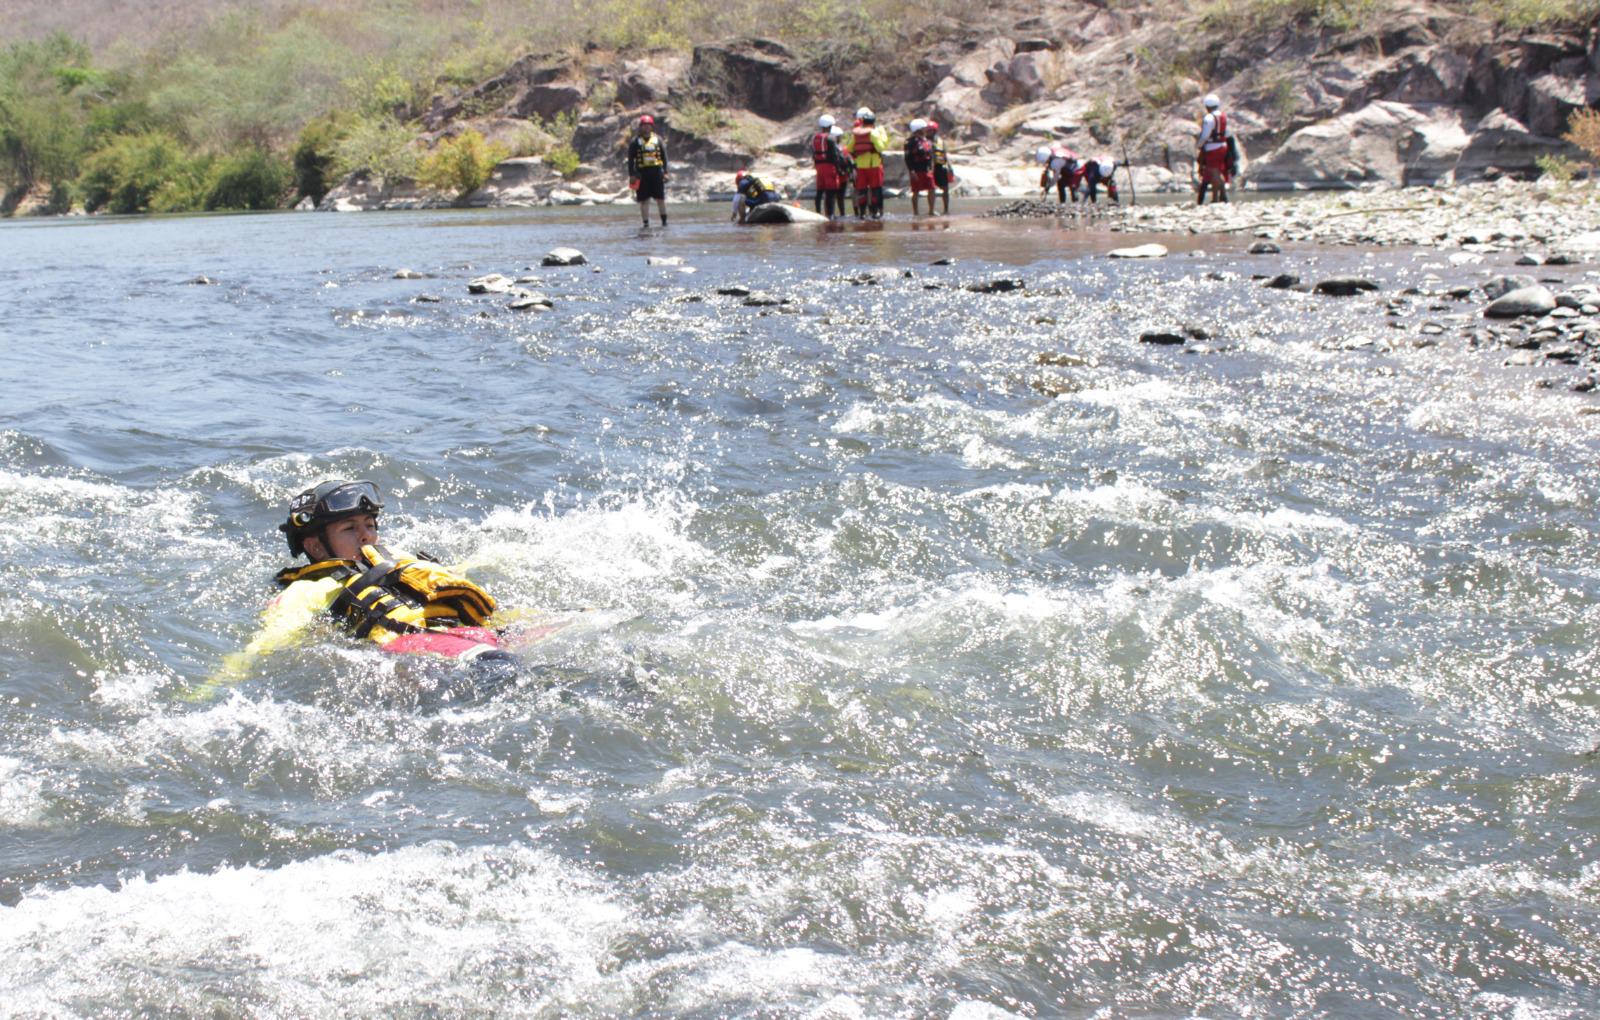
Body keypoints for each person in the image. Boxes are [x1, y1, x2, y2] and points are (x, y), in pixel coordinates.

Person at [192, 479, 517, 700]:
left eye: (370, 525)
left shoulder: (399, 561)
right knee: (502, 671)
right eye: (350, 529)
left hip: (468, 634)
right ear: (316, 548)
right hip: (410, 650)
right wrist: (215, 684)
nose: (366, 537)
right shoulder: (312, 587)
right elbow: (268, 642)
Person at [627, 114, 669, 227]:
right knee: (644, 200)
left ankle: (664, 222)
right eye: (644, 125)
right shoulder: (635, 142)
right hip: (642, 174)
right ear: (640, 127)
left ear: (652, 126)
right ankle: (646, 223)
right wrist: (631, 175)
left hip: (656, 173)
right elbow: (631, 160)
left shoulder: (658, 139)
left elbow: (664, 157)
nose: (646, 127)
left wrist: (665, 172)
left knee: (660, 199)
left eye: (648, 125)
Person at [849, 107, 890, 220]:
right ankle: (875, 213)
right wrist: (883, 134)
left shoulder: (856, 134)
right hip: (874, 166)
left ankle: (862, 213)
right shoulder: (874, 133)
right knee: (875, 189)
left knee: (862, 190)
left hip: (860, 167)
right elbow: (881, 147)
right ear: (873, 122)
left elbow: (849, 148)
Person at [810, 114, 847, 219]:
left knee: (820, 191)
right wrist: (839, 170)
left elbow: (814, 154)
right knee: (830, 192)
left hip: (819, 167)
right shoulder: (831, 138)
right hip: (829, 167)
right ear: (831, 126)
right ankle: (830, 216)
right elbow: (835, 155)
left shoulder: (814, 138)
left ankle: (817, 213)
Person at [1196, 93, 1230, 205]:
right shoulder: (1223, 116)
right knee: (1218, 170)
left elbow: (1205, 135)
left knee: (1213, 171)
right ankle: (1223, 195)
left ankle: (1216, 198)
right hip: (1223, 145)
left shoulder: (1209, 118)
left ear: (1207, 106)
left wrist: (1199, 145)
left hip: (1212, 147)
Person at [904, 119, 936, 216]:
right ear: (918, 129)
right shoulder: (910, 142)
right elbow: (907, 158)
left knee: (932, 189)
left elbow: (930, 156)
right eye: (923, 128)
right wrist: (912, 171)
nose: (926, 130)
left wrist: (931, 167)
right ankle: (916, 212)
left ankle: (931, 211)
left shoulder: (926, 141)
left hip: (926, 169)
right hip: (916, 170)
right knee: (916, 191)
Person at [928, 120, 955, 215]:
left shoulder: (940, 141)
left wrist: (950, 168)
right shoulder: (925, 142)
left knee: (945, 189)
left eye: (930, 130)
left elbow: (944, 155)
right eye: (928, 130)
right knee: (931, 190)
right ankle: (931, 210)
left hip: (940, 167)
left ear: (934, 131)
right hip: (931, 168)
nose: (928, 132)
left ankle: (946, 210)